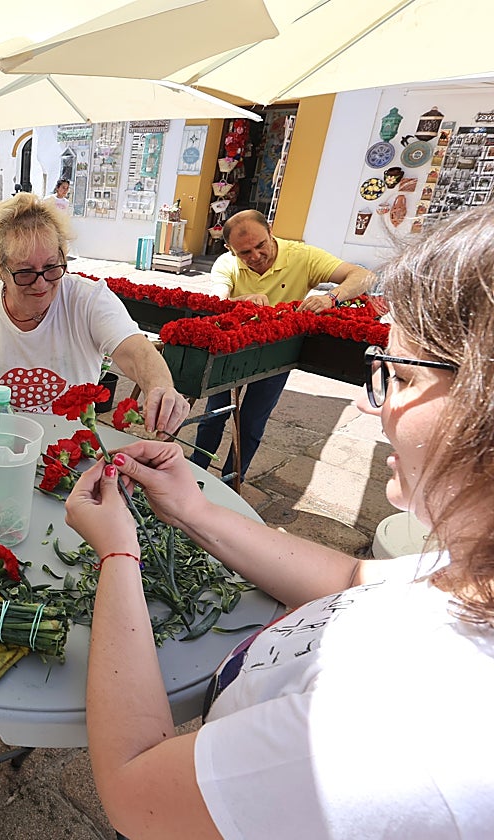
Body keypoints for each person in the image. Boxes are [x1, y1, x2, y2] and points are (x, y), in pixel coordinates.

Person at [65, 203, 494, 839]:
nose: (371, 408)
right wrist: (193, 509)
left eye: (399, 376)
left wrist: (118, 554)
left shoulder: (405, 737)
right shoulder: (473, 574)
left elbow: (134, 788)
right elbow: (356, 578)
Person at [0, 192, 189, 435]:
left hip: (71, 455)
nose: (41, 284)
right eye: (25, 273)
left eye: (52, 267)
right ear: (1, 270)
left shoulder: (88, 300)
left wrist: (160, 386)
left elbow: (135, 350)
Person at [191, 209, 377, 481]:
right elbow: (217, 302)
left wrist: (331, 298)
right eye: (244, 252)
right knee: (213, 416)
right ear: (230, 249)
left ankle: (233, 482)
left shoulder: (303, 256)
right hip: (231, 350)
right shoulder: (226, 264)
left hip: (277, 354)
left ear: (270, 232)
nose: (254, 256)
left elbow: (363, 277)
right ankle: (196, 473)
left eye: (260, 245)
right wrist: (239, 304)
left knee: (251, 423)